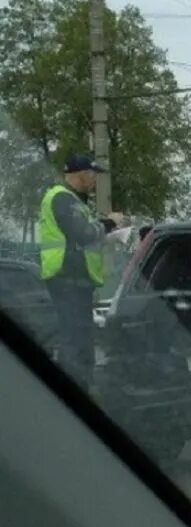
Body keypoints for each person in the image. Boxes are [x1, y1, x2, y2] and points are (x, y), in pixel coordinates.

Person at [37, 154, 124, 391]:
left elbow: (80, 239)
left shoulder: (71, 199)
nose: (95, 179)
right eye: (93, 174)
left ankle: (80, 387)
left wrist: (107, 238)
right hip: (68, 277)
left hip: (75, 278)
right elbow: (83, 233)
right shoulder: (63, 198)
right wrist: (110, 223)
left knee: (80, 339)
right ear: (81, 174)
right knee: (75, 341)